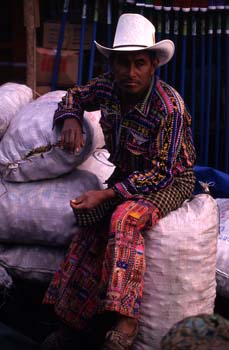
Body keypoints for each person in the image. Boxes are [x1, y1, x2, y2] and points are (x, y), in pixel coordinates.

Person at [42, 13, 196, 350]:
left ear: (154, 64)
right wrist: (70, 118)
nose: (130, 72)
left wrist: (109, 194)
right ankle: (73, 320)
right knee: (88, 221)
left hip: (171, 182)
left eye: (139, 63)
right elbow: (73, 96)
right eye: (122, 63)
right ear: (112, 64)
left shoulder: (169, 108)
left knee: (124, 219)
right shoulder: (108, 88)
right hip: (126, 176)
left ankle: (125, 322)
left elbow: (162, 172)